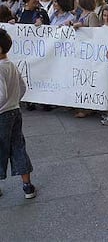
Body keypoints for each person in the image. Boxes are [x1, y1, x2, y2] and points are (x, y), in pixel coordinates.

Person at [0, 28, 36, 199]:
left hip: (2, 115)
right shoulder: (11, 65)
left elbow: (2, 94)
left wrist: (6, 103)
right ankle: (27, 185)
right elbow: (22, 87)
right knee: (18, 147)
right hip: (15, 111)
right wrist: (14, 102)